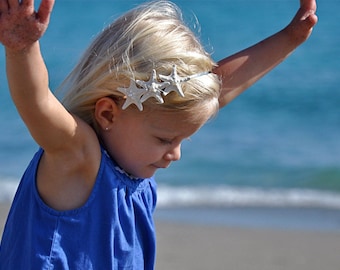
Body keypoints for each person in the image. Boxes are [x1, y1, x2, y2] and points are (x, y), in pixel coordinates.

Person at [0, 0, 317, 269]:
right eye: (165, 140)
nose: (175, 153)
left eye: (182, 139)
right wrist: (22, 48)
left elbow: (220, 90)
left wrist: (291, 36)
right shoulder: (78, 157)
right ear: (108, 113)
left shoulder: (135, 163)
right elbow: (37, 102)